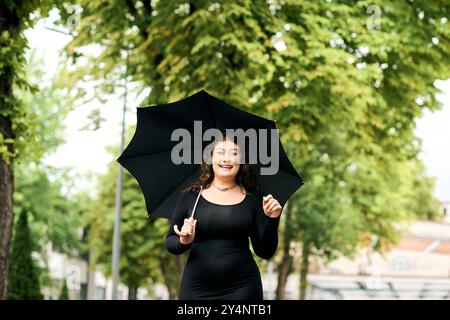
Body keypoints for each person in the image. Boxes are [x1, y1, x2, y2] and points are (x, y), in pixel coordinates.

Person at [165, 133, 283, 300]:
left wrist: (272, 219)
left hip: (243, 288)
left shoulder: (255, 199)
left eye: (234, 153)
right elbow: (171, 244)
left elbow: (265, 251)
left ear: (241, 161)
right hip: (196, 288)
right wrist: (184, 240)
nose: (227, 159)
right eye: (220, 152)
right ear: (211, 158)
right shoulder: (191, 196)